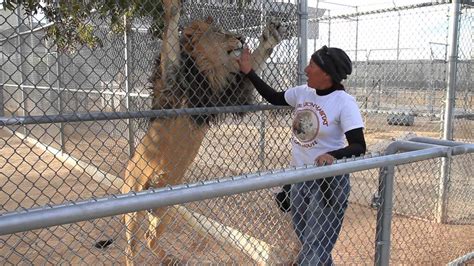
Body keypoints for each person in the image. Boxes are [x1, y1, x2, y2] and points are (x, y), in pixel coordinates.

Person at [238, 45, 366, 265]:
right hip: (299, 178)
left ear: (326, 73)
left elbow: (358, 146)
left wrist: (333, 155)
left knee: (314, 247)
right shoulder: (302, 93)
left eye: (312, 65)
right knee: (310, 242)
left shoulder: (344, 102)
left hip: (327, 182)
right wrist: (249, 72)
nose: (306, 70)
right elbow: (273, 97)